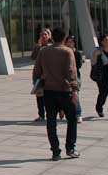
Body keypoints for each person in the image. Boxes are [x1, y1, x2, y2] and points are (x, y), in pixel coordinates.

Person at [32, 26, 79, 161]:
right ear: (64, 38)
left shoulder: (44, 51)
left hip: (49, 91)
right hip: (65, 91)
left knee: (51, 122)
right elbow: (71, 72)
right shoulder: (67, 51)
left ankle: (55, 151)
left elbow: (36, 71)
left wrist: (37, 85)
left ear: (52, 37)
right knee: (72, 118)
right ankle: (70, 148)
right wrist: (75, 90)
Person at [30, 28, 52, 121]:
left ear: (49, 36)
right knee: (39, 96)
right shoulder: (38, 47)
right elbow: (33, 57)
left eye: (45, 34)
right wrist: (38, 46)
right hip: (38, 75)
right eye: (42, 35)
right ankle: (41, 115)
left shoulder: (52, 46)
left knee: (50, 96)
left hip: (50, 75)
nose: (43, 36)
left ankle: (52, 113)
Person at [64, 36, 83, 123]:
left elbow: (79, 65)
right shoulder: (63, 52)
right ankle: (64, 111)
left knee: (75, 95)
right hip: (64, 76)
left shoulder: (77, 53)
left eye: (71, 42)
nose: (70, 43)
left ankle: (78, 114)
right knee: (65, 96)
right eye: (68, 42)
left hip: (75, 77)